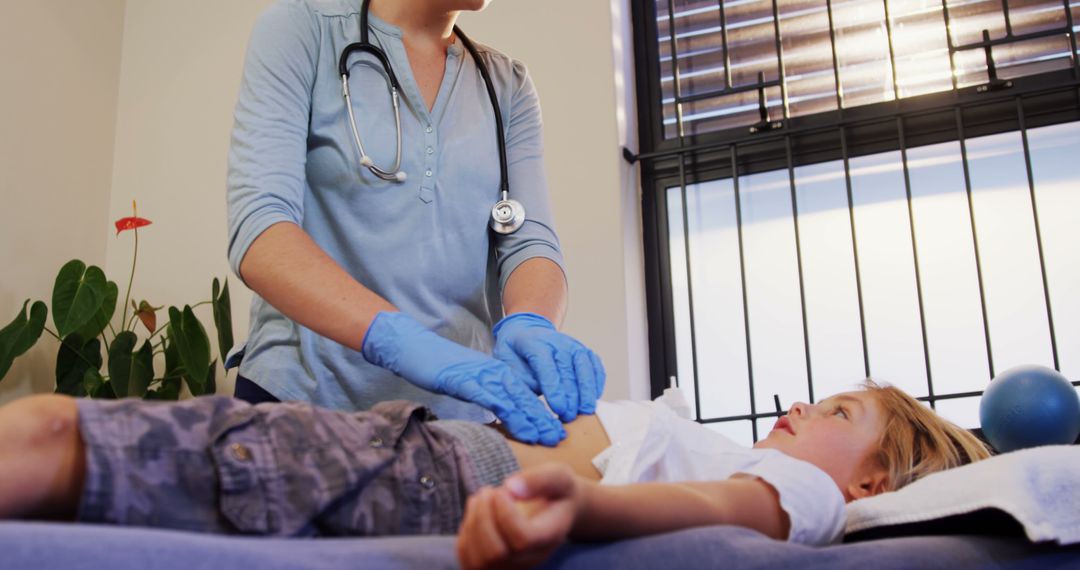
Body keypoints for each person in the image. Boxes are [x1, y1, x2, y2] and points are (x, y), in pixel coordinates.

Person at [0, 380, 989, 569]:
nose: (804, 407)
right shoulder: (783, 466)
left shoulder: (801, 495)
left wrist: (577, 496)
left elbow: (715, 507)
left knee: (51, 435)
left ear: (870, 483)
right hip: (426, 450)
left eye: (839, 416)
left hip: (441, 466)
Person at [225, 0, 604, 445]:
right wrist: (404, 342)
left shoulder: (507, 84)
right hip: (300, 405)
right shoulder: (303, 28)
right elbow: (261, 231)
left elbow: (528, 241)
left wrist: (532, 323)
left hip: (458, 424)